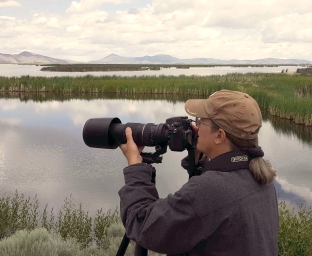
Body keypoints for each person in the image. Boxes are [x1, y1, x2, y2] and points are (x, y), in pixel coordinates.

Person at [118, 89, 279, 256]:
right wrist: (200, 160)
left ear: (219, 136)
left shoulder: (211, 189)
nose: (196, 127)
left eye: (201, 121)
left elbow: (143, 225)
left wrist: (135, 167)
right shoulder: (261, 177)